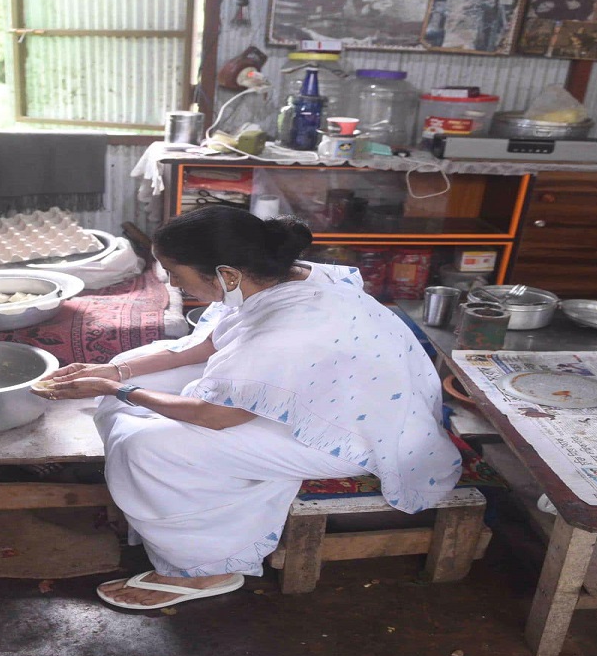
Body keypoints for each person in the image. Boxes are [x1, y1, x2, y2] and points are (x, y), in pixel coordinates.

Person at [31, 206, 461, 609]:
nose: (171, 285)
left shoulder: (291, 327)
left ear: (227, 274)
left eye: (175, 275)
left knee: (146, 445)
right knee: (130, 381)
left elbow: (214, 416)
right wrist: (115, 372)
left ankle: (206, 570)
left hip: (350, 436)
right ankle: (171, 505)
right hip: (333, 401)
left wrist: (124, 392)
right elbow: (206, 344)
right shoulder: (281, 278)